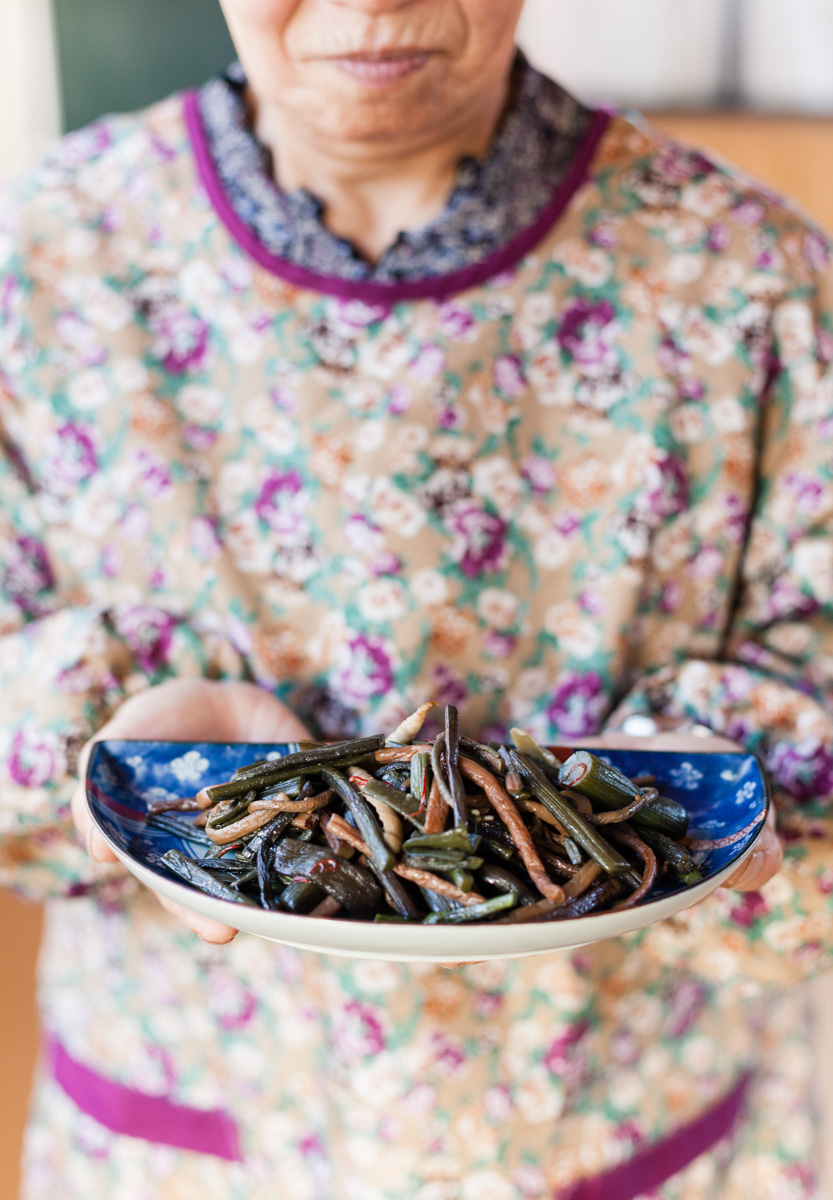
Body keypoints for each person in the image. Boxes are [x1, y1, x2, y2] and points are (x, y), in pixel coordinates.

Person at [0, 0, 827, 1195]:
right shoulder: (45, 257)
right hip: (191, 1127)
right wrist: (106, 762)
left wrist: (698, 793)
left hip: (631, 1122)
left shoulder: (754, 277)